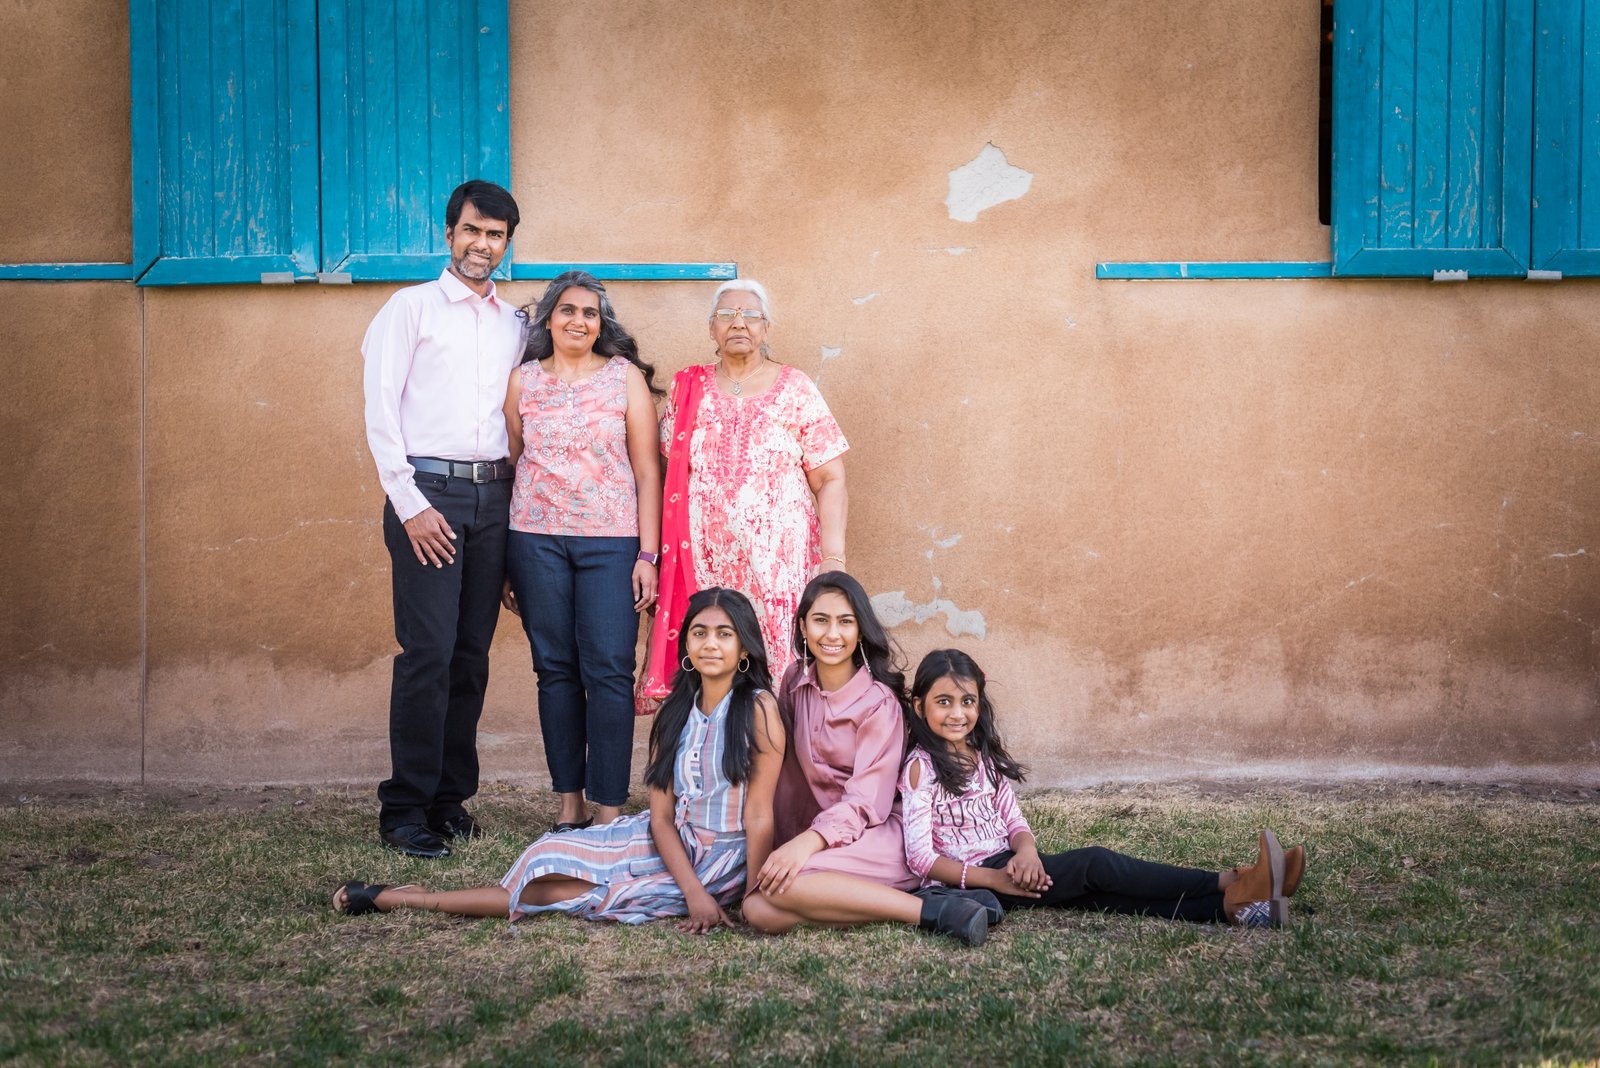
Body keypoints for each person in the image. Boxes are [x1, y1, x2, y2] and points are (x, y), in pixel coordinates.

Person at [332, 588, 786, 931]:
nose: (710, 644)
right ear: (685, 643)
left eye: (725, 634)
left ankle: (405, 899)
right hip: (667, 841)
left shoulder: (758, 710)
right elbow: (662, 818)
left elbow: (759, 814)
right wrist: (690, 892)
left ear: (745, 647)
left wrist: (748, 897)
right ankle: (414, 895)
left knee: (555, 894)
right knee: (545, 856)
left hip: (720, 860)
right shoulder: (674, 713)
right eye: (699, 632)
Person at [900, 648, 1308, 927]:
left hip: (1012, 864)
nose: (957, 713)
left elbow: (1013, 819)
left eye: (967, 701)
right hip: (974, 881)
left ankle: (1236, 909)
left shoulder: (982, 756)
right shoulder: (922, 768)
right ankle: (1229, 880)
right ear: (920, 706)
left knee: (1099, 895)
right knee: (1094, 865)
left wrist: (1027, 853)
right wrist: (993, 880)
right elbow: (921, 858)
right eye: (943, 702)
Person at [361, 179, 523, 858]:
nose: (482, 244)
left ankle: (449, 800)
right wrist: (412, 505)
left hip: (495, 497)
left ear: (506, 244)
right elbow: (380, 412)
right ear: (449, 234)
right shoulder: (410, 309)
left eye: (495, 235)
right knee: (426, 654)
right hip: (429, 494)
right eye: (472, 230)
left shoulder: (516, 324)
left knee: (470, 656)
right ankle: (404, 810)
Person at [740, 573, 994, 945]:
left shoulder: (879, 704)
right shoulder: (795, 681)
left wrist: (807, 843)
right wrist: (787, 839)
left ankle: (933, 912)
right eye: (821, 620)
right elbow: (790, 774)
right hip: (825, 836)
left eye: (845, 622)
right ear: (803, 627)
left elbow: (866, 802)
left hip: (880, 834)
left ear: (860, 631)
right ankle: (887, 901)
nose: (832, 634)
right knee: (757, 909)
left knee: (785, 886)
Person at [501, 271, 663, 833]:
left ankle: (609, 808)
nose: (578, 320)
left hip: (612, 543)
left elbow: (648, 470)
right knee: (555, 670)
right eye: (568, 310)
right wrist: (505, 563)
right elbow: (513, 463)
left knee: (610, 671)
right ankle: (569, 803)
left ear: (601, 324)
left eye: (590, 313)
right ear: (549, 319)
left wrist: (648, 555)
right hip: (534, 540)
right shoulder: (522, 381)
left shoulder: (624, 378)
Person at [640, 281, 849, 709]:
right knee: (712, 662)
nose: (739, 323)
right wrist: (654, 556)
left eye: (751, 315)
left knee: (779, 665)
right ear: (711, 329)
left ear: (766, 328)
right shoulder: (687, 388)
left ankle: (780, 749)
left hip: (779, 568)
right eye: (727, 315)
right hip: (704, 566)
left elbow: (830, 478)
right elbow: (665, 475)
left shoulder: (795, 388)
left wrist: (833, 558)